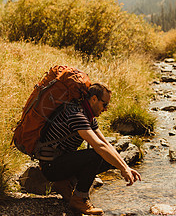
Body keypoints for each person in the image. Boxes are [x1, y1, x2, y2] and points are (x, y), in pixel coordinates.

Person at [40, 83, 141, 215]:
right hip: (50, 167)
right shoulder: (76, 115)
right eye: (104, 104)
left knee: (108, 157)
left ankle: (65, 182)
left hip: (60, 160)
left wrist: (125, 167)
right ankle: (79, 199)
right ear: (94, 99)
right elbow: (99, 146)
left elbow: (106, 144)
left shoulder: (87, 115)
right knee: (98, 155)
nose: (106, 109)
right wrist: (123, 169)